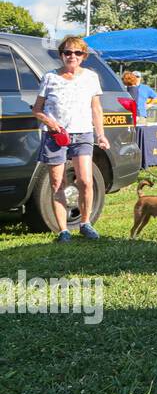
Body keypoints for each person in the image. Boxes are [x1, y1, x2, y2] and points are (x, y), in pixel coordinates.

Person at [31, 35, 110, 242]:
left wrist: (101, 135)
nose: (72, 56)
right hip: (55, 136)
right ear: (61, 55)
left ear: (83, 56)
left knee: (85, 180)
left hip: (83, 133)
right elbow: (37, 110)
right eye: (67, 52)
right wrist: (50, 123)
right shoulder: (50, 77)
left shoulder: (91, 77)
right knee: (58, 182)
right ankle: (63, 231)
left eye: (77, 53)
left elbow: (96, 109)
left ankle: (85, 223)